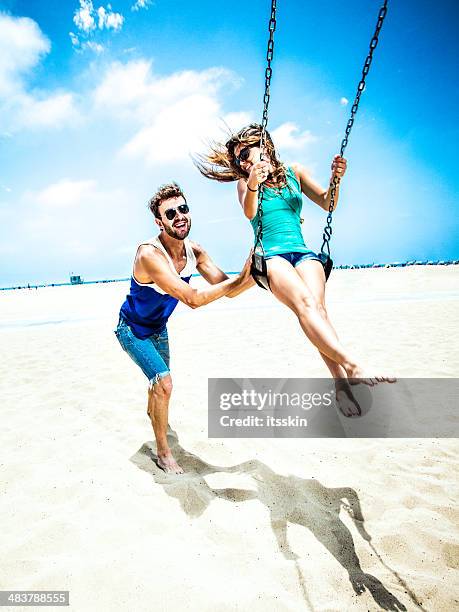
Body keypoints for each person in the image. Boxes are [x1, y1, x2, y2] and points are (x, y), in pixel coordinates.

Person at [195, 123, 395, 416]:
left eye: (246, 152)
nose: (243, 161)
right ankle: (352, 365)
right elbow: (250, 212)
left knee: (318, 312)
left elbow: (329, 203)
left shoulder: (294, 172)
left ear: (265, 145)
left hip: (302, 252)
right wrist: (252, 180)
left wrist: (336, 179)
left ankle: (341, 386)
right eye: (239, 159)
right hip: (270, 255)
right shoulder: (246, 183)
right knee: (303, 305)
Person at [115, 182, 252, 474]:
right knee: (164, 384)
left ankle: (155, 415)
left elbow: (229, 289)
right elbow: (192, 299)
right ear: (159, 222)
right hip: (132, 329)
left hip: (158, 329)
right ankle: (164, 454)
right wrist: (242, 275)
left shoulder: (195, 252)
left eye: (183, 209)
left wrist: (256, 267)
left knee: (160, 388)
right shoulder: (149, 255)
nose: (179, 216)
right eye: (170, 213)